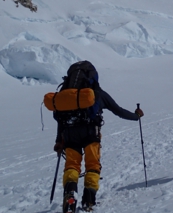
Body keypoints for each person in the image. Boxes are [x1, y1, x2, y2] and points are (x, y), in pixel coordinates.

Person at [51, 61, 144, 213]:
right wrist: (136, 116)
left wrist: (58, 141)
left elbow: (59, 118)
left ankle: (70, 193)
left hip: (69, 134)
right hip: (90, 133)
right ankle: (89, 200)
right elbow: (118, 111)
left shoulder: (65, 95)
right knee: (92, 165)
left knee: (72, 165)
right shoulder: (97, 93)